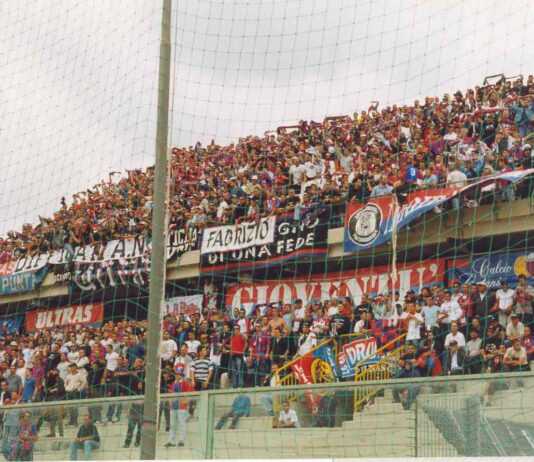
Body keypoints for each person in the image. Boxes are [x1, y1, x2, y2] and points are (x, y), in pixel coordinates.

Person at [165, 372, 194, 448]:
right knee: (172, 424)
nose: (177, 376)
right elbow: (170, 394)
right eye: (176, 374)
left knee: (182, 423)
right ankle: (171, 440)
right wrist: (170, 402)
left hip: (181, 406)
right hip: (174, 405)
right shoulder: (173, 384)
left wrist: (186, 401)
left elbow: (190, 393)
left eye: (178, 374)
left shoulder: (185, 383)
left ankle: (181, 440)